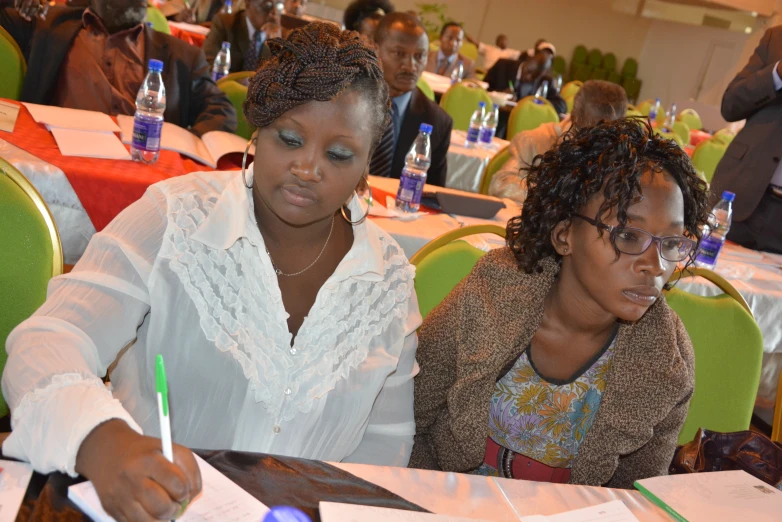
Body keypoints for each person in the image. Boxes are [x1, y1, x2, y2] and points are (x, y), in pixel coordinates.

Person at [3, 22, 421, 521]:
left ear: (367, 163)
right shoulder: (177, 217)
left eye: (338, 155)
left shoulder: (388, 278)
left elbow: (385, 448)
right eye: (288, 139)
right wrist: (103, 442)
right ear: (257, 130)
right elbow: (48, 340)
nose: (308, 168)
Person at [410, 119, 711, 488]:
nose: (656, 265)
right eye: (629, 235)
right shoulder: (492, 293)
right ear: (564, 233)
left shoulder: (668, 358)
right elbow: (409, 419)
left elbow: (636, 494)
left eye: (673, 242)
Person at [1, 0, 236, 136]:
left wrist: (178, 148)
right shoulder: (49, 27)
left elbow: (221, 111)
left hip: (140, 173)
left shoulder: (183, 56)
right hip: (58, 158)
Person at [490, 80, 628, 204]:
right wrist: (556, 197)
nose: (599, 139)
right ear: (575, 115)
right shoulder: (534, 141)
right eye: (594, 127)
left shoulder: (621, 157)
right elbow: (502, 184)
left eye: (610, 131)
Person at [710, 25, 782, 254]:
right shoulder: (776, 39)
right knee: (705, 278)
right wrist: (777, 74)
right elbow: (730, 105)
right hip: (741, 195)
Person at [371, 12, 453, 187]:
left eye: (419, 56)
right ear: (375, 50)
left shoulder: (437, 121)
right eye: (399, 53)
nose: (410, 66)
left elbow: (431, 193)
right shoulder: (343, 101)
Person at [203, 0, 282, 73]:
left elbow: (281, 78)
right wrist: (236, 82)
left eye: (279, 6)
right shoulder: (225, 24)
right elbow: (208, 64)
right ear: (248, 3)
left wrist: (277, 46)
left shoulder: (282, 38)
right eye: (267, 5)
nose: (274, 13)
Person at [485, 49, 566, 114]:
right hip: (495, 116)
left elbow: (562, 106)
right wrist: (500, 96)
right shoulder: (502, 66)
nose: (529, 77)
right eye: (529, 71)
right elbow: (482, 92)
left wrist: (533, 102)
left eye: (535, 77)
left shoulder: (544, 81)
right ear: (529, 59)